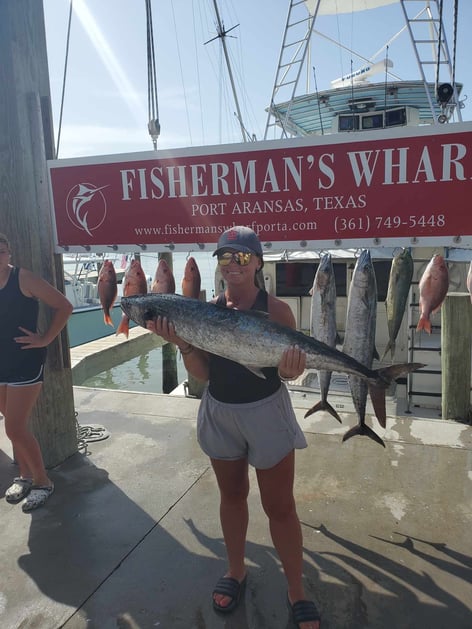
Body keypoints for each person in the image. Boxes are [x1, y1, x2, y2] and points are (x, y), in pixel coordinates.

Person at [146, 226, 320, 629]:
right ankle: (237, 569)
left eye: (242, 257)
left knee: (279, 506)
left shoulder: (277, 310)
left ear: (258, 262)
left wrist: (293, 373)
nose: (233, 264)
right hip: (220, 410)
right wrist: (185, 344)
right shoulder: (204, 309)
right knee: (232, 495)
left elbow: (287, 371)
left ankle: (296, 588)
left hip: (266, 413)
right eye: (225, 257)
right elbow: (202, 374)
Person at [0, 233, 73, 512]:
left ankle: (43, 482)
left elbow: (64, 306)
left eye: (2, 251)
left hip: (25, 362)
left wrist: (45, 338)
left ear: (10, 253)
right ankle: (25, 477)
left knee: (14, 427)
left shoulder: (24, 278)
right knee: (13, 424)